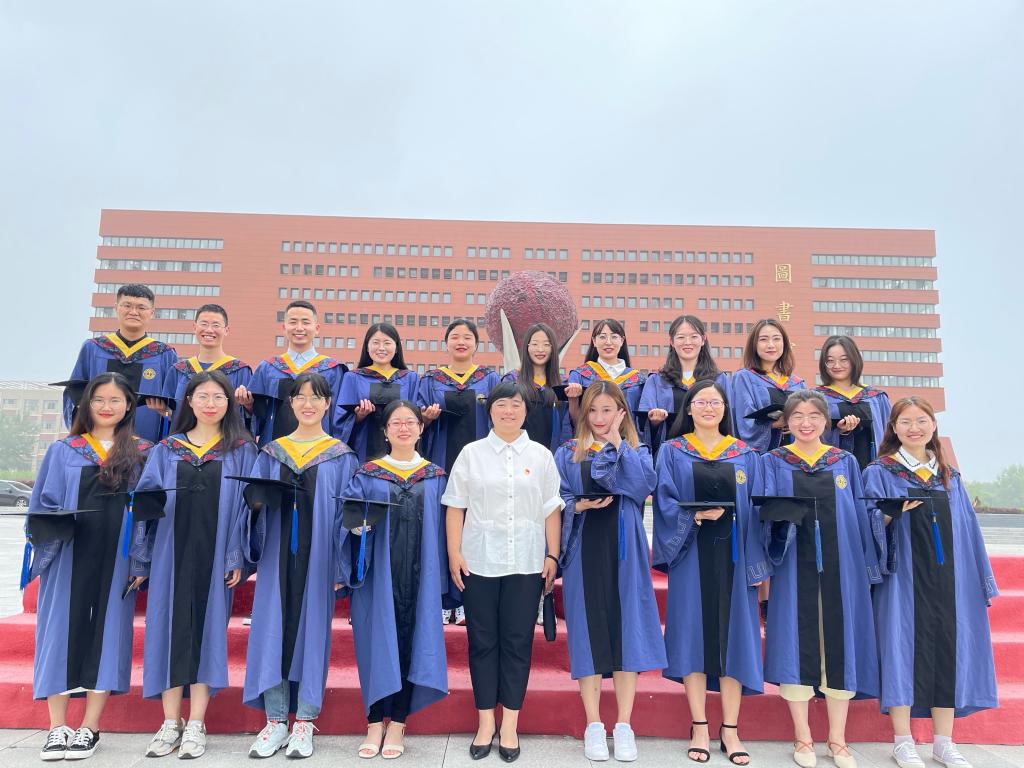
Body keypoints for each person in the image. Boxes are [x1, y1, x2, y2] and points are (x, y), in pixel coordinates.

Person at [863, 397, 998, 768]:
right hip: (901, 577)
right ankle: (902, 740)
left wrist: (980, 579)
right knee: (900, 649)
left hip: (948, 579)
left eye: (921, 420)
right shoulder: (880, 471)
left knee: (947, 651)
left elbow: (968, 529)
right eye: (905, 422)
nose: (914, 428)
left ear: (933, 425)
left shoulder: (949, 475)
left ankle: (943, 742)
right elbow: (865, 521)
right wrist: (889, 514)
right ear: (893, 428)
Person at [130, 371, 257, 759]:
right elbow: (145, 506)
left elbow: (247, 510)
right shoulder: (167, 449)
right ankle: (171, 722)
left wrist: (236, 554)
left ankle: (197, 722)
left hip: (216, 555)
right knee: (166, 630)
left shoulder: (242, 450)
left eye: (218, 396)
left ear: (229, 403)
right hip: (170, 553)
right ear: (189, 401)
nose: (210, 403)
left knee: (207, 631)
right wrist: (141, 560)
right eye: (202, 396)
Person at [28, 373, 152, 761]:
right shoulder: (64, 450)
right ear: (86, 405)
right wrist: (50, 540)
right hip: (68, 554)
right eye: (99, 400)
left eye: (115, 400)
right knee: (60, 633)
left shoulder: (142, 451)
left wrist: (140, 558)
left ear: (128, 406)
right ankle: (57, 727)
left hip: (117, 557)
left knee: (108, 634)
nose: (106, 407)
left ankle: (90, 727)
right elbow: (42, 504)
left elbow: (148, 513)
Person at [757, 390, 882, 768]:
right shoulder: (773, 462)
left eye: (814, 415)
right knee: (795, 644)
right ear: (786, 421)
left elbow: (859, 518)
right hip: (792, 567)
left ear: (826, 421)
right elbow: (760, 519)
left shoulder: (844, 462)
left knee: (839, 646)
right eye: (798, 415)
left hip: (841, 570)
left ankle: (838, 740)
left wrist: (866, 569)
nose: (806, 422)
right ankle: (803, 737)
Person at [443, 381, 562, 763]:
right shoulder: (472, 454)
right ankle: (485, 724)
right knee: (481, 642)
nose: (508, 411)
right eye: (501, 405)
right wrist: (454, 553)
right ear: (489, 410)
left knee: (517, 642)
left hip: (526, 562)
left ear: (525, 411)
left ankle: (509, 724)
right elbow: (455, 506)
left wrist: (552, 554)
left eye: (515, 405)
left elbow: (551, 509)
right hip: (479, 561)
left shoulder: (541, 456)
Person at [241, 372, 358, 759]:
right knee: (272, 630)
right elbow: (250, 507)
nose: (308, 404)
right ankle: (275, 721)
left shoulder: (341, 456)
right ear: (290, 403)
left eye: (316, 397)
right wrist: (257, 504)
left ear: (328, 404)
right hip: (276, 555)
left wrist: (341, 567)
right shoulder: (271, 453)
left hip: (319, 557)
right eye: (301, 397)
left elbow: (345, 516)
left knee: (312, 633)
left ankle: (304, 720)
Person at [652, 380, 765, 765]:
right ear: (689, 408)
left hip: (736, 557)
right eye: (700, 402)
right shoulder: (673, 451)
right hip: (691, 555)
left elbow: (758, 510)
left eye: (715, 402)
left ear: (725, 409)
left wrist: (757, 561)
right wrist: (694, 516)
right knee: (692, 638)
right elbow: (664, 501)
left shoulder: (745, 454)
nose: (708, 408)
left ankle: (730, 729)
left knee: (735, 640)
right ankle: (699, 725)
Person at [555, 381, 663, 762]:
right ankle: (593, 724)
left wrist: (618, 441)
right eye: (593, 410)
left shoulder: (637, 450)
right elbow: (556, 497)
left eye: (607, 410)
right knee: (587, 633)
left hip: (624, 550)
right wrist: (577, 507)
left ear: (621, 412)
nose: (600, 418)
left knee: (625, 631)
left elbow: (643, 486)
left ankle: (624, 725)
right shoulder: (568, 451)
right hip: (583, 548)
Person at [337, 400, 448, 759]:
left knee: (411, 644)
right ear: (385, 431)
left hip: (420, 575)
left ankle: (398, 723)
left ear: (420, 428)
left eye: (410, 422)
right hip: (377, 577)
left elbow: (446, 529)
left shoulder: (435, 476)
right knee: (374, 643)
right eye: (396, 423)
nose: (403, 428)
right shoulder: (368, 474)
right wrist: (356, 531)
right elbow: (347, 521)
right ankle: (374, 722)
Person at [64, 284, 178, 444]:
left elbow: (175, 407)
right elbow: (74, 397)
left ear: (152, 313)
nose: (133, 312)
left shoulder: (164, 354)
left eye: (141, 307)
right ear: (116, 307)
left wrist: (167, 413)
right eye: (127, 305)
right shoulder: (93, 348)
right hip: (97, 445)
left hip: (146, 447)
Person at [248, 301, 347, 445]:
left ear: (317, 328)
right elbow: (257, 416)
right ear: (284, 328)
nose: (299, 328)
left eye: (305, 322)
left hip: (320, 449)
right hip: (275, 450)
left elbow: (339, 416)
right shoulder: (268, 368)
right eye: (293, 322)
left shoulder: (333, 369)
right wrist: (248, 406)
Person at [640, 315, 730, 459]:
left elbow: (728, 419)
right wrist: (654, 422)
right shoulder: (656, 381)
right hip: (669, 456)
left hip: (711, 455)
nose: (687, 342)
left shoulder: (719, 379)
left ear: (703, 339)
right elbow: (642, 428)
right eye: (681, 337)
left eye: (694, 337)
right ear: (672, 342)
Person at [418, 319, 500, 475]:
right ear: (446, 344)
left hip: (482, 457)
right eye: (455, 337)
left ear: (476, 345)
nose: (461, 342)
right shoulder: (431, 380)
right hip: (441, 456)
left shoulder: (489, 378)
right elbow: (416, 420)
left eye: (467, 338)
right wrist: (426, 418)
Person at [338, 323, 420, 462]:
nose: (381, 348)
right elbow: (340, 420)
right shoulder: (353, 377)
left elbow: (415, 417)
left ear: (396, 348)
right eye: (375, 342)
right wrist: (359, 416)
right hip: (362, 448)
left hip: (401, 447)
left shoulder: (410, 378)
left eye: (387, 343)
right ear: (367, 347)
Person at [162, 303, 253, 423]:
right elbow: (169, 415)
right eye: (204, 324)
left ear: (226, 330)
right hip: (185, 435)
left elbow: (251, 417)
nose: (209, 330)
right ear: (194, 327)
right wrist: (163, 411)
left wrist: (248, 405)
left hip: (225, 435)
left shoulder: (240, 371)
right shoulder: (178, 370)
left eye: (216, 325)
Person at [814, 335, 891, 470]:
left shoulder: (877, 398)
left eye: (844, 360)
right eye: (830, 361)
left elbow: (891, 437)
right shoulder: (816, 398)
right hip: (831, 471)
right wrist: (839, 431)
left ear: (854, 360)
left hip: (872, 470)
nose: (837, 365)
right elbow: (807, 436)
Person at [730, 319, 805, 453]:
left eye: (776, 339)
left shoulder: (798, 383)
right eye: (763, 339)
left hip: (795, 456)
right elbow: (743, 422)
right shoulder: (744, 378)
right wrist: (775, 424)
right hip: (761, 457)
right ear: (754, 345)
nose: (771, 345)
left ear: (784, 343)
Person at [566, 319, 647, 435]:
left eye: (614, 337)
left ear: (622, 341)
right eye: (602, 337)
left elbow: (643, 424)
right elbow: (572, 421)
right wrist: (573, 400)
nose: (608, 342)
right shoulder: (580, 375)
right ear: (594, 341)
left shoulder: (639, 380)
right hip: (591, 442)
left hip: (627, 442)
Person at [500, 322, 571, 454]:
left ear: (553, 348)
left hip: (553, 453)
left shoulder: (563, 384)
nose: (540, 349)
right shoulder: (512, 380)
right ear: (527, 347)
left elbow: (568, 424)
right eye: (535, 344)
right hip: (517, 453)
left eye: (546, 344)